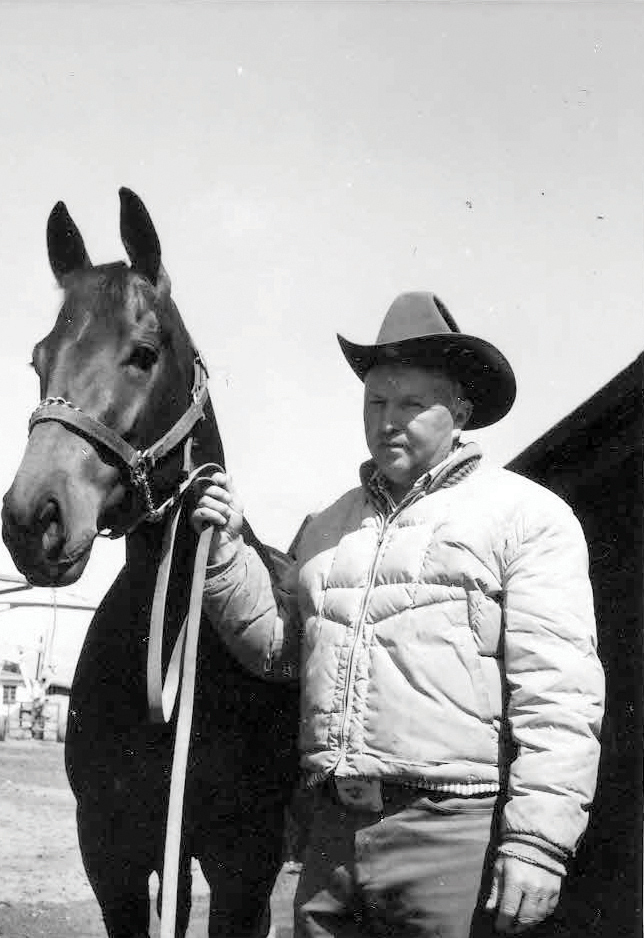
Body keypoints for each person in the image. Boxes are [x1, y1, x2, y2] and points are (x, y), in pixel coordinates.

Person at [191, 292, 605, 938]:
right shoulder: (328, 527)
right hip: (331, 845)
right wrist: (225, 554)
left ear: (460, 411)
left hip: (452, 846)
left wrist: (538, 844)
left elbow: (560, 697)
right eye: (376, 403)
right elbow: (279, 650)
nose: (388, 421)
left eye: (411, 404)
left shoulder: (528, 519)